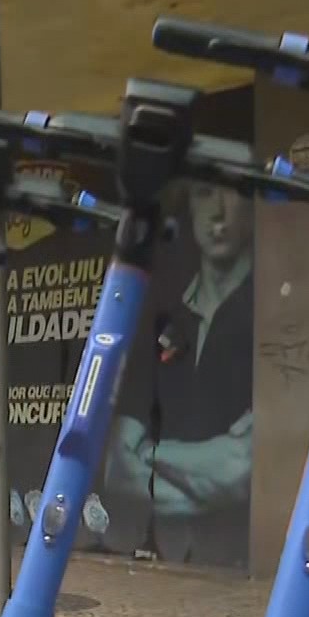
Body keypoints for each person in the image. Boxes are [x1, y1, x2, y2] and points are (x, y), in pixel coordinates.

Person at [105, 178, 256, 568]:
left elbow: (238, 471)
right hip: (169, 559)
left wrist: (150, 454)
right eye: (205, 193)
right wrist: (203, 471)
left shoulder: (266, 312)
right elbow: (117, 467)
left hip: (240, 566)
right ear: (188, 207)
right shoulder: (167, 317)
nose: (218, 212)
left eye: (232, 192)